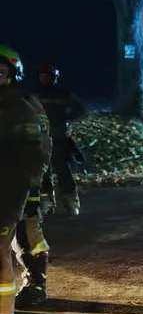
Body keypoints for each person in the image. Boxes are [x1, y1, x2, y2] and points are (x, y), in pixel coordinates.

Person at [0, 45, 52, 314]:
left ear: (13, 73)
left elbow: (36, 149)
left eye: (1, 71)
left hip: (18, 183)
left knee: (28, 235)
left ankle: (35, 283)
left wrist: (33, 184)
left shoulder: (21, 105)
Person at [36, 63, 87, 216]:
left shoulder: (62, 94)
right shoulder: (35, 95)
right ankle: (46, 201)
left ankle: (71, 201)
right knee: (43, 171)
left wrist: (64, 117)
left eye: (48, 76)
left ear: (54, 77)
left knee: (62, 168)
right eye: (42, 76)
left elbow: (80, 109)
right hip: (41, 137)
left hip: (59, 136)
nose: (45, 79)